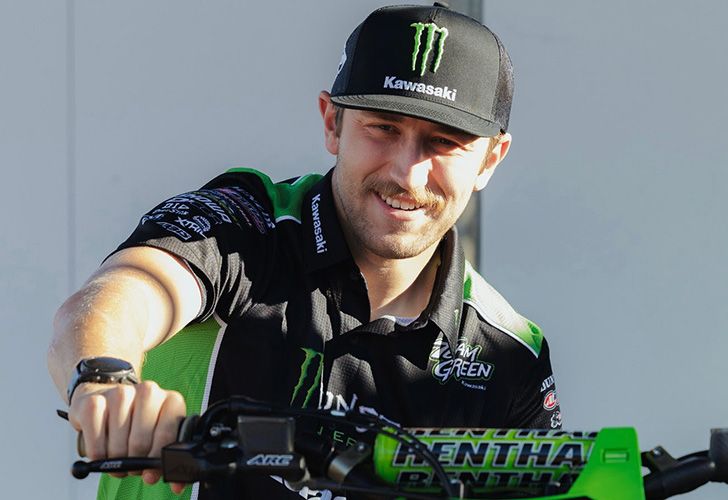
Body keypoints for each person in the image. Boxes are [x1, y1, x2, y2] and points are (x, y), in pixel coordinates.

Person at [48, 3, 561, 499]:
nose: (408, 174)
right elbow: (124, 296)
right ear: (332, 123)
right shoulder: (241, 226)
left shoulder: (511, 352)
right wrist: (105, 382)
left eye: (444, 142)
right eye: (383, 128)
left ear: (490, 159)